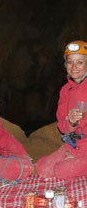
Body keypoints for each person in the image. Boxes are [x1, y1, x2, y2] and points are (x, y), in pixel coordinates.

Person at [37, 40, 87, 180]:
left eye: (80, 62)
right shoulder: (65, 90)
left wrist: (78, 155)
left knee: (61, 171)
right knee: (43, 169)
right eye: (70, 62)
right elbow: (62, 126)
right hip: (74, 142)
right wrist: (70, 122)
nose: (74, 67)